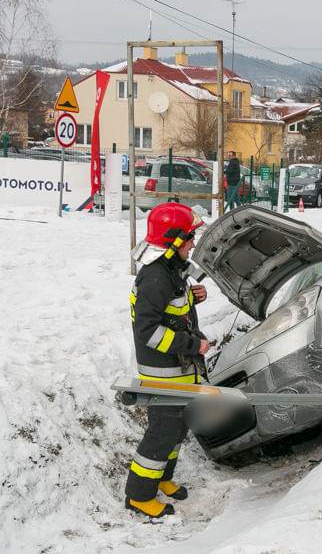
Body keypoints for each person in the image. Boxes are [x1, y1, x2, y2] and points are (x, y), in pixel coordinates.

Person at [124, 203, 210, 518]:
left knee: (177, 430)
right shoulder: (155, 278)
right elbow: (148, 330)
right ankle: (139, 494)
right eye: (190, 238)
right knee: (162, 433)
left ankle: (163, 478)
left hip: (179, 372)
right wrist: (192, 345)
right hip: (163, 375)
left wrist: (195, 295)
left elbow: (175, 308)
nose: (194, 244)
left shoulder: (173, 269)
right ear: (174, 241)